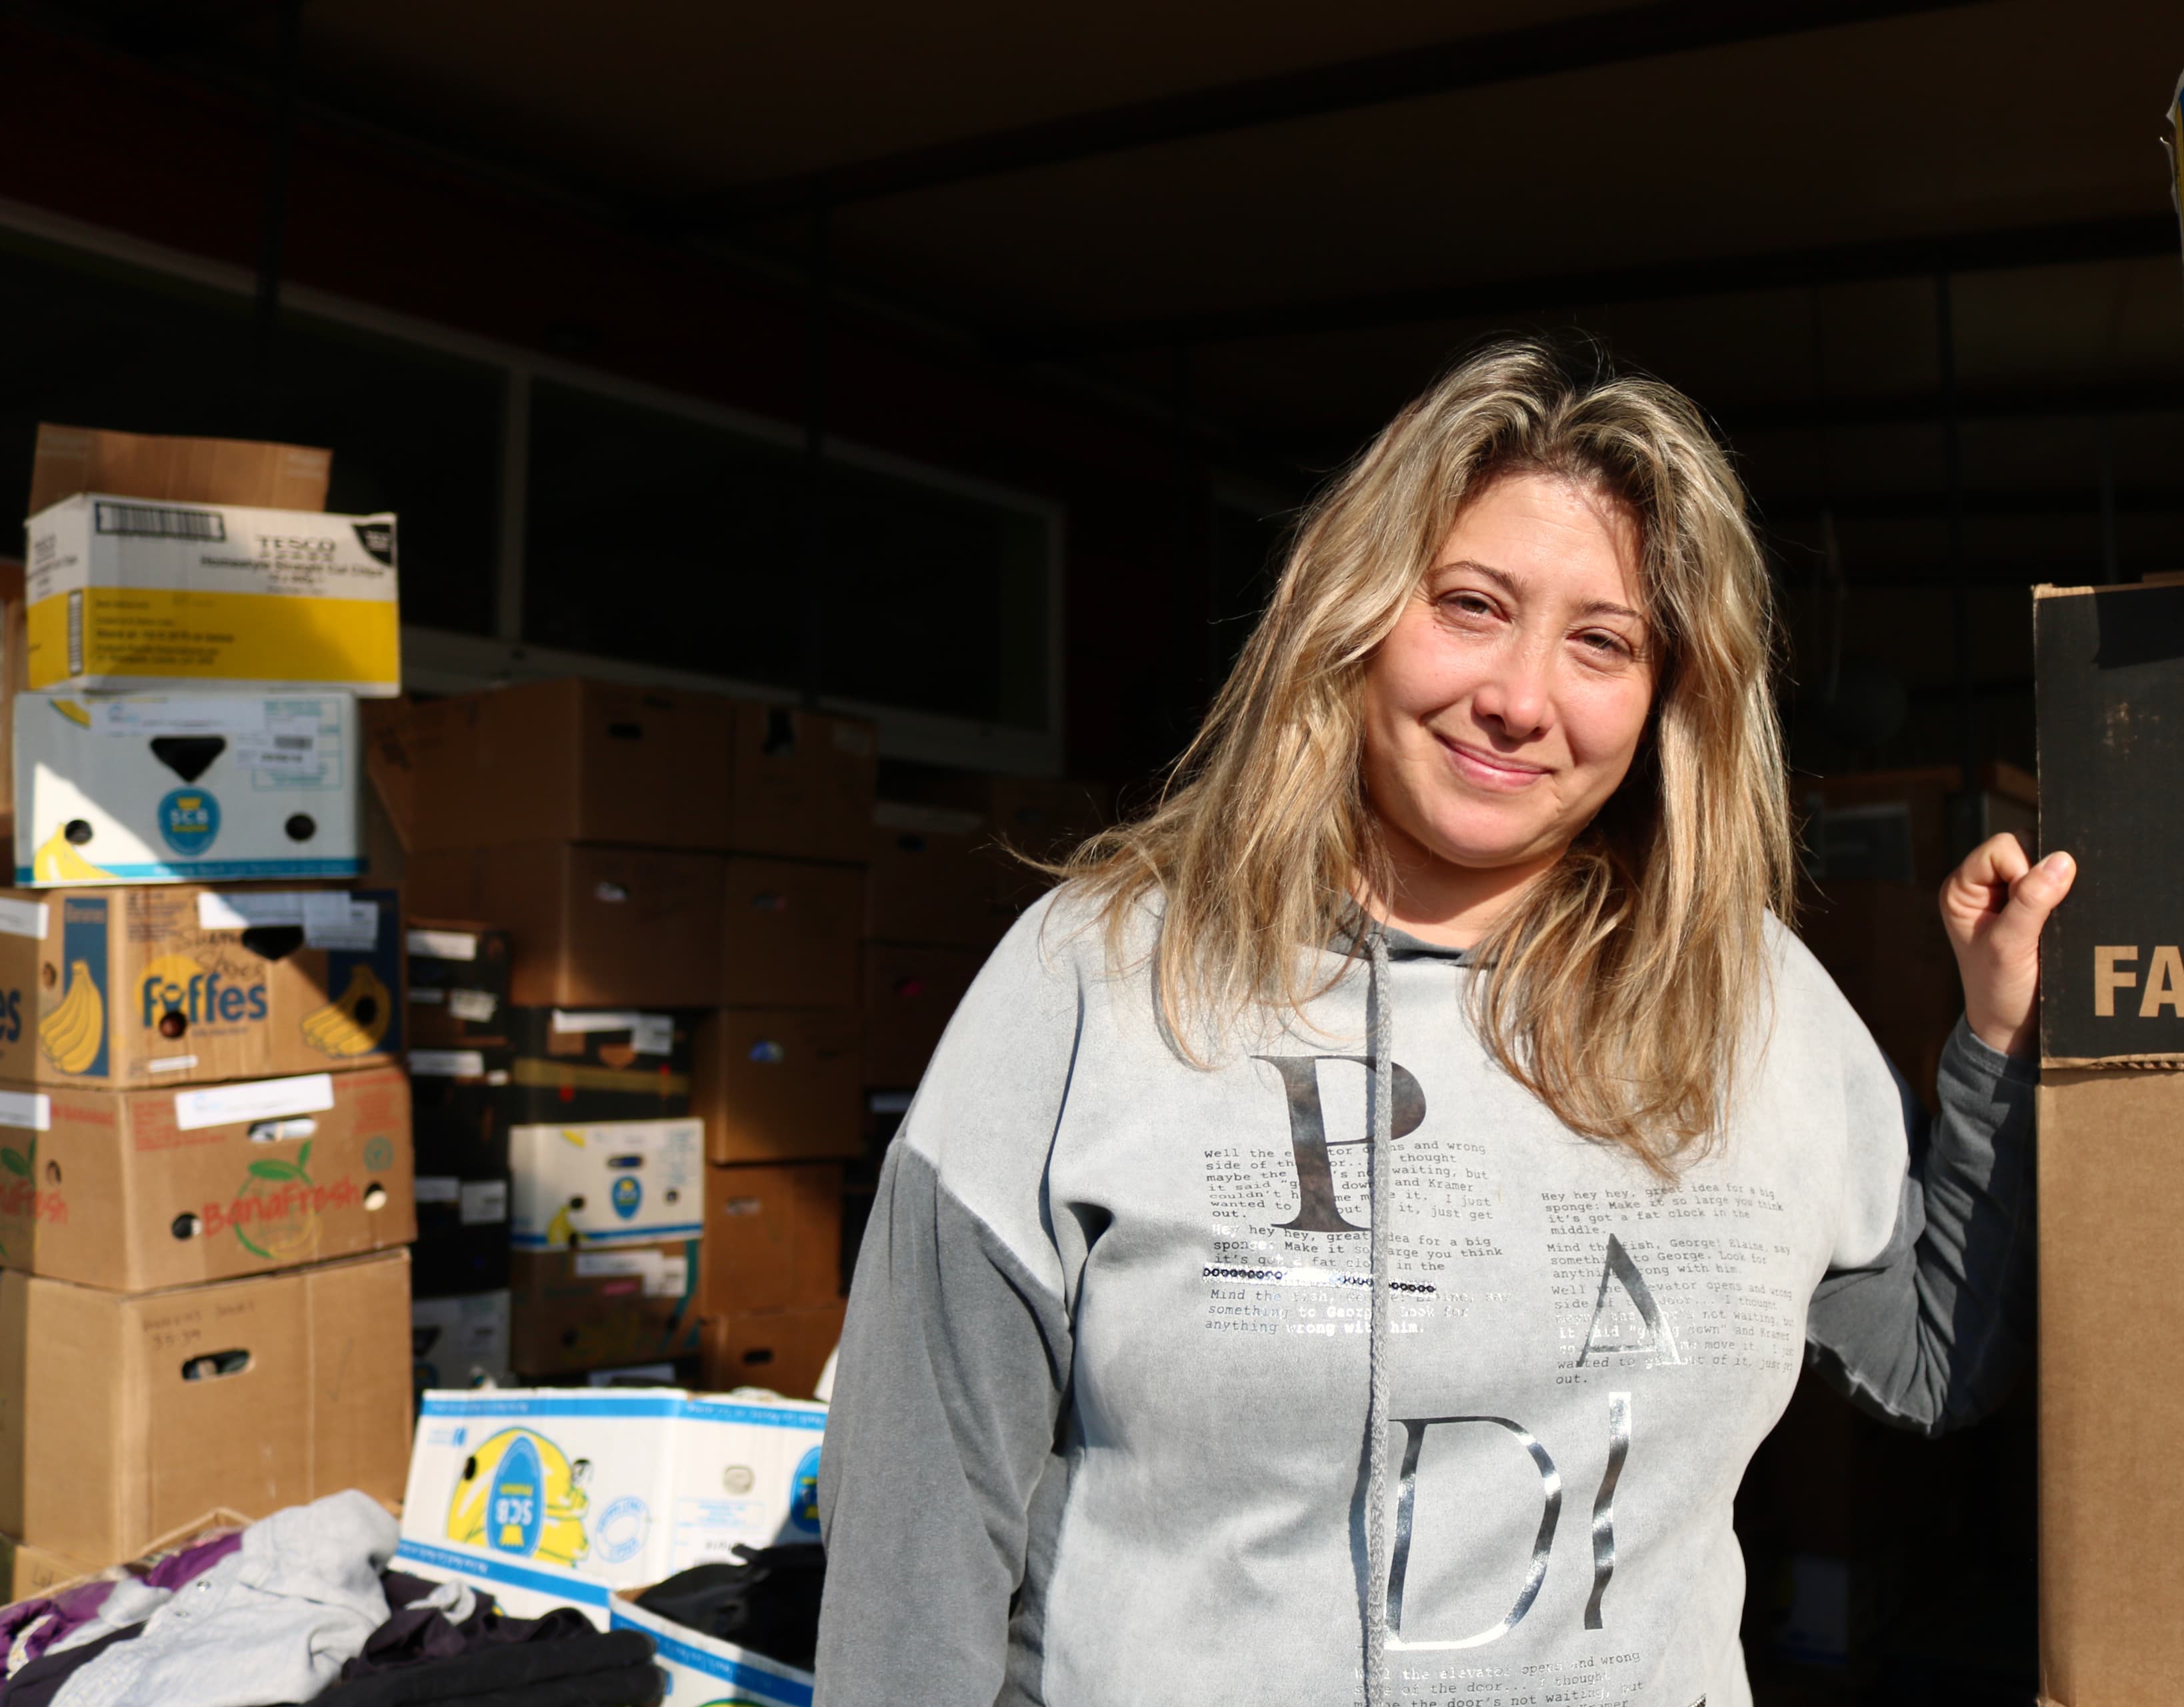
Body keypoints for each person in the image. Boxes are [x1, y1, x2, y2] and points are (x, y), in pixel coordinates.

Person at [811, 339, 2075, 1707]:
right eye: (1472, 605)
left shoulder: (1750, 999)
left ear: (1668, 701)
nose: (1520, 698)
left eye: (1602, 641)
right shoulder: (1101, 973)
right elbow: (918, 1532)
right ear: (1351, 613)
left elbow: (1932, 1358)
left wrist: (1997, 1039)